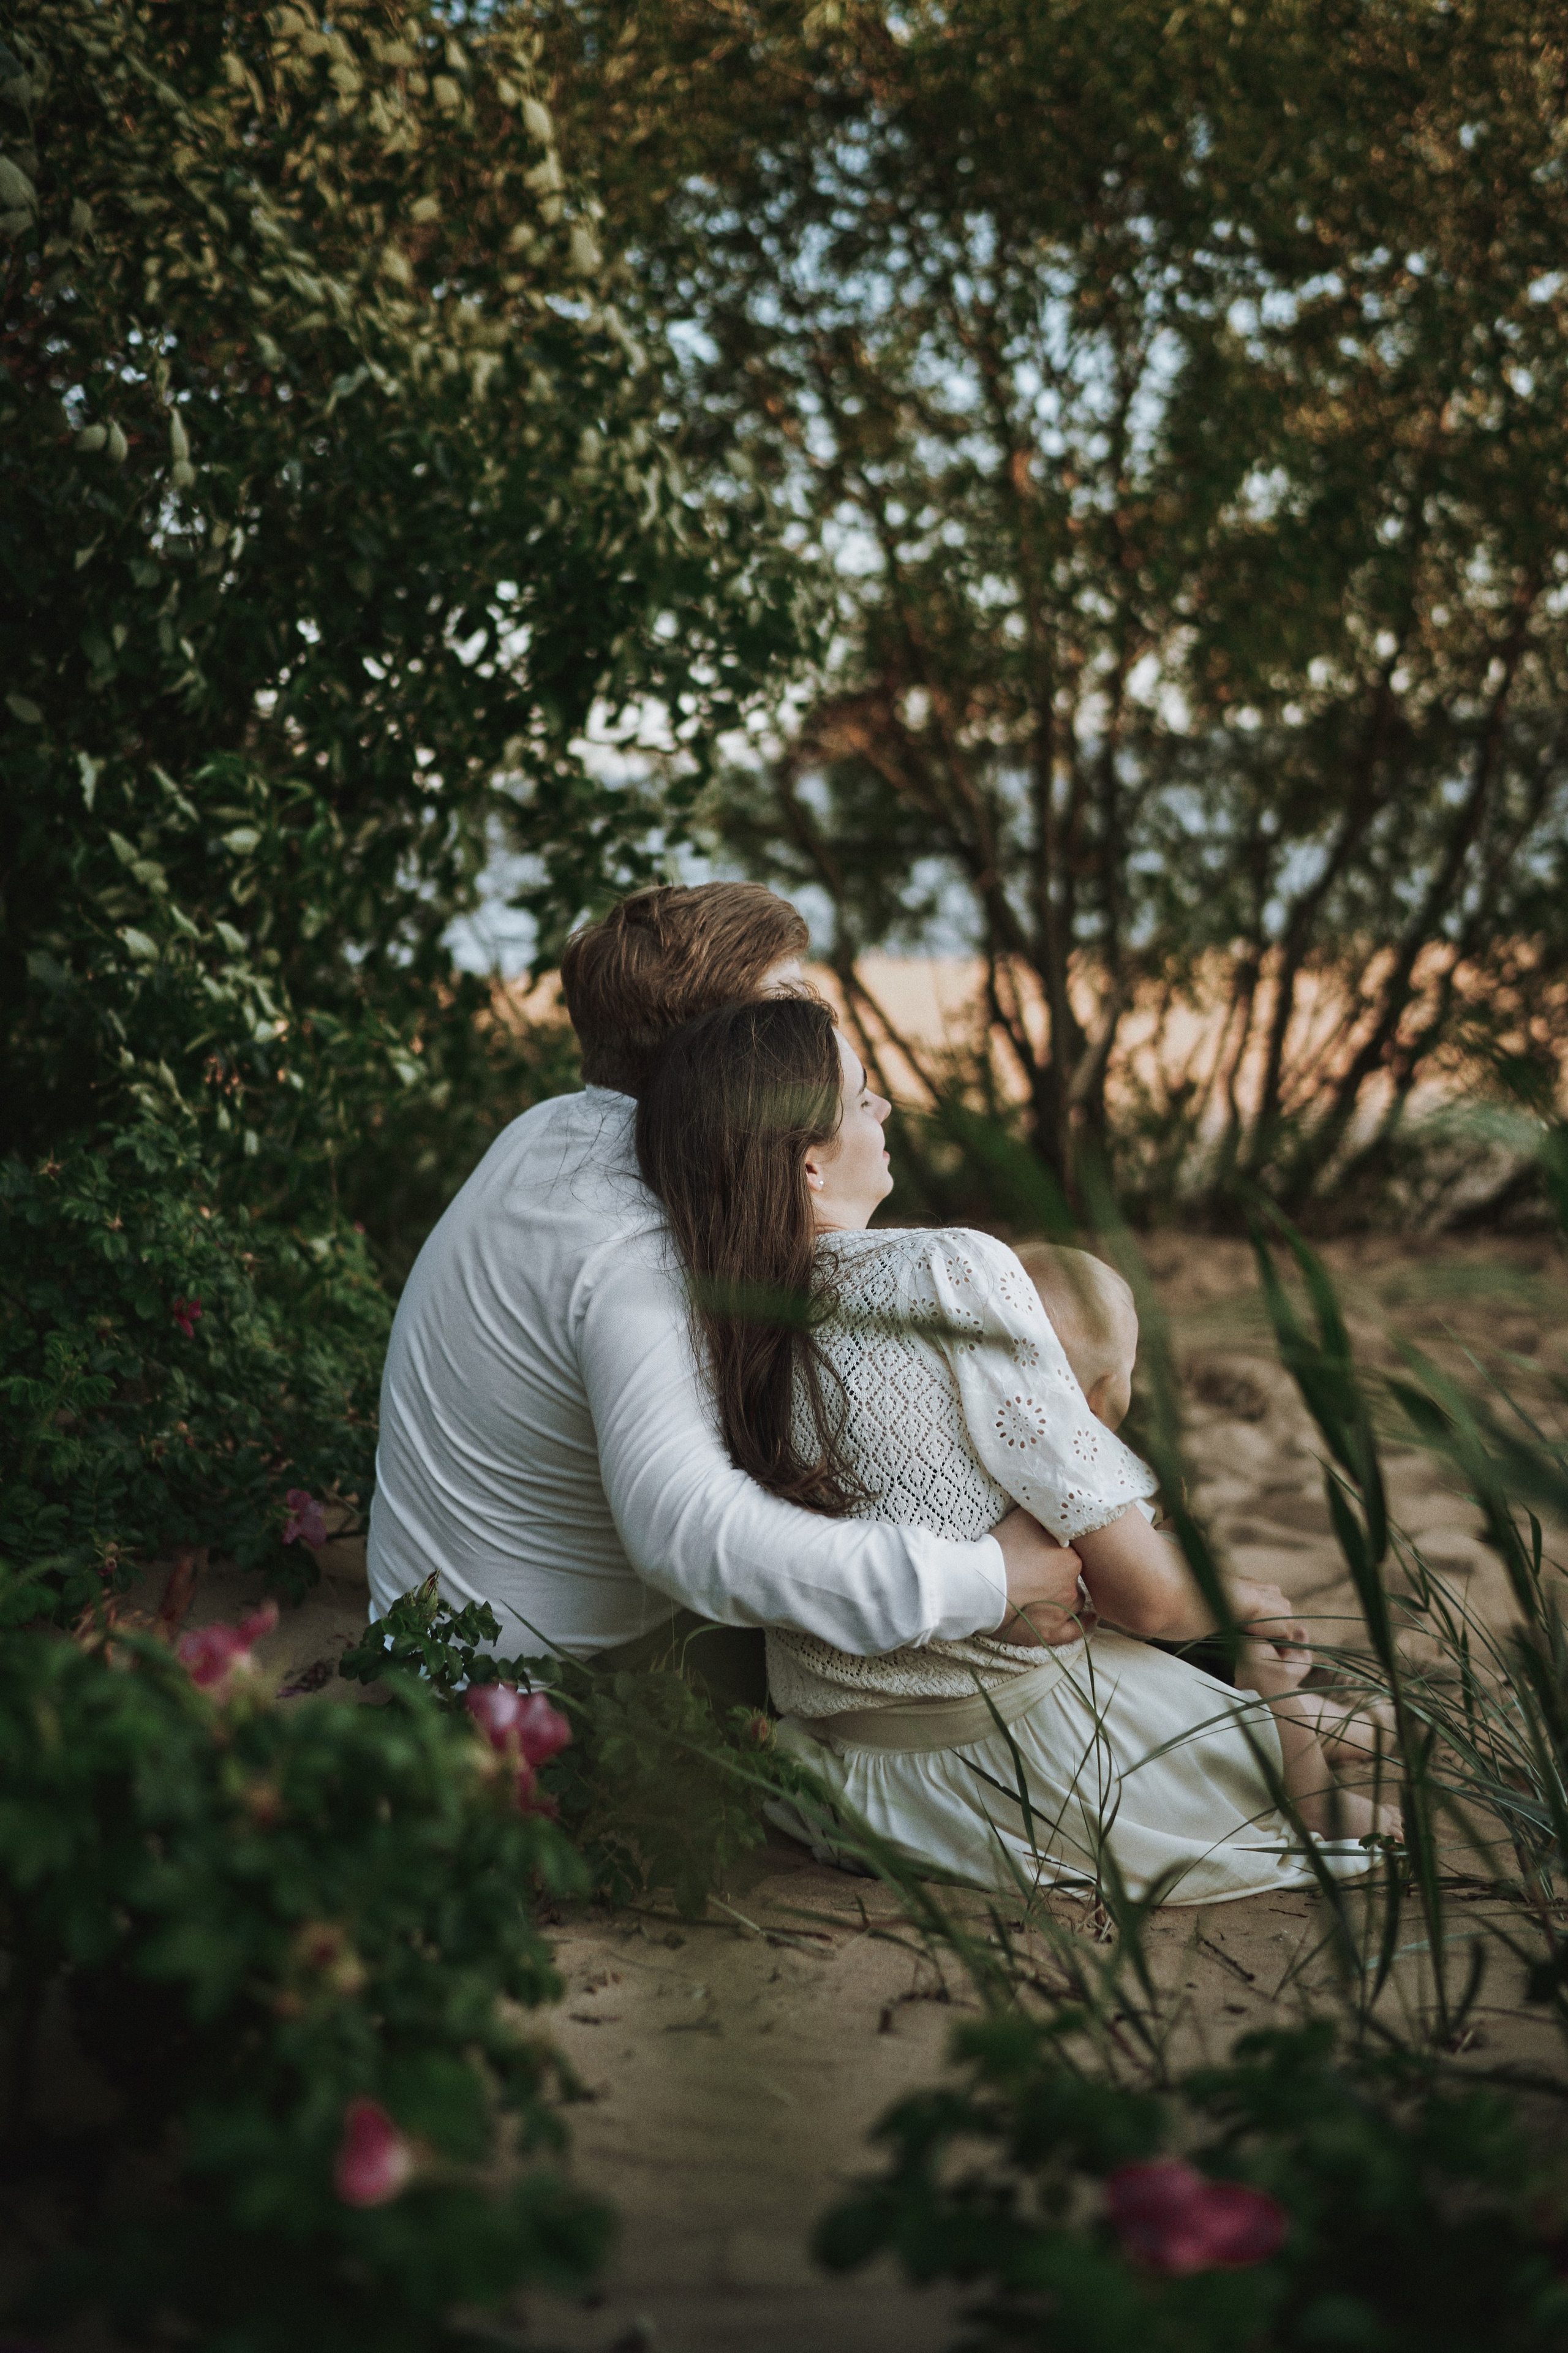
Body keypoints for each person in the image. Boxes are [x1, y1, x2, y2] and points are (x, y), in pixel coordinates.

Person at [635, 995, 1393, 1905]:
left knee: (1227, 1702)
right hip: (1017, 1760)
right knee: (1310, 1761)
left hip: (844, 1783)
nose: (887, 1110)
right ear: (809, 1163)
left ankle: (1307, 1732)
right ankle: (1301, 1746)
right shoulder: (951, 1267)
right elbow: (1145, 1596)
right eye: (864, 1097)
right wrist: (1249, 1602)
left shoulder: (713, 1326)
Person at [367, 882, 1083, 1672]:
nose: (814, 1034)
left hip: (433, 1634)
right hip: (542, 1685)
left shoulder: (550, 1131)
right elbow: (687, 1531)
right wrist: (984, 1582)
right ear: (720, 1051)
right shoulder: (643, 1236)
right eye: (788, 1007)